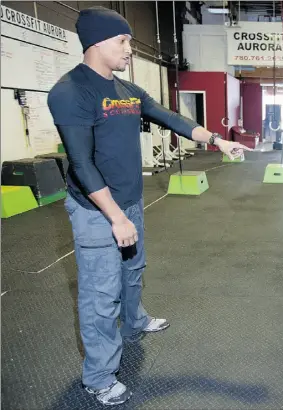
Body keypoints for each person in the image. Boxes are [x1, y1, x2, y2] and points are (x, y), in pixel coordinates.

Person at [47, 7, 251, 406]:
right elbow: (82, 164)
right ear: (99, 42)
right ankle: (99, 377)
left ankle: (135, 321)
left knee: (133, 268)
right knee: (100, 294)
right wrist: (116, 216)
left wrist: (218, 140)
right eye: (123, 41)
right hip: (96, 211)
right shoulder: (70, 92)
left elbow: (169, 117)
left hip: (129, 200)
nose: (129, 49)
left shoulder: (126, 91)